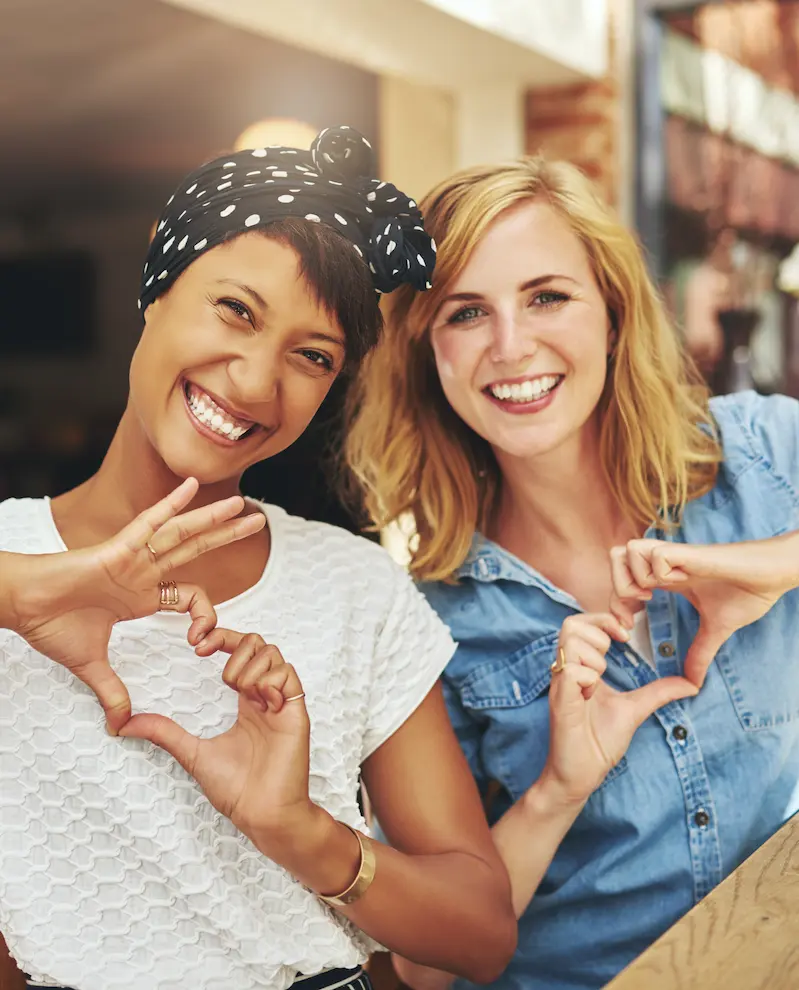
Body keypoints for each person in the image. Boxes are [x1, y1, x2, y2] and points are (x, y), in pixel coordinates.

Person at [0, 127, 515, 990]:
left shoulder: (353, 587)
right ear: (155, 292)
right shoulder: (12, 560)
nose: (252, 382)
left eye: (312, 357)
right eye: (235, 310)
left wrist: (298, 832)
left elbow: (480, 933)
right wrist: (30, 593)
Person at [345, 154, 799, 990]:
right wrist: (557, 788)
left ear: (612, 312)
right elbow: (422, 967)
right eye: (466, 312)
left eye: (546, 296)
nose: (511, 347)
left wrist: (773, 565)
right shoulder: (424, 623)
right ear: (427, 352)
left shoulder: (761, 457)